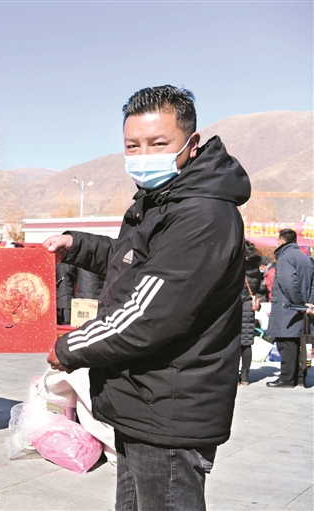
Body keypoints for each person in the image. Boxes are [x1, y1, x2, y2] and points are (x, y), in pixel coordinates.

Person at [44, 85, 250, 511]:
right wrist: (77, 245)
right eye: (132, 146)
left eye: (158, 144)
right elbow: (134, 262)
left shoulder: (202, 213)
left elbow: (149, 313)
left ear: (192, 143)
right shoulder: (161, 202)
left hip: (169, 409)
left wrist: (69, 348)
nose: (143, 156)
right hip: (143, 401)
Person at [266, 228, 314, 388]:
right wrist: (309, 302)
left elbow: (288, 283)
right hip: (303, 310)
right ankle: (300, 378)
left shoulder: (285, 257)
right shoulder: (305, 258)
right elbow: (312, 284)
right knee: (302, 343)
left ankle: (287, 379)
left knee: (286, 345)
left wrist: (299, 303)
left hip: (288, 308)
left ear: (281, 241)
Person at [240, 241, 263, 385]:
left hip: (237, 306)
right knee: (246, 342)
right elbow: (258, 288)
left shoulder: (238, 267)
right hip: (249, 306)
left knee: (234, 343)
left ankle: (233, 375)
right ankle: (245, 377)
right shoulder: (256, 269)